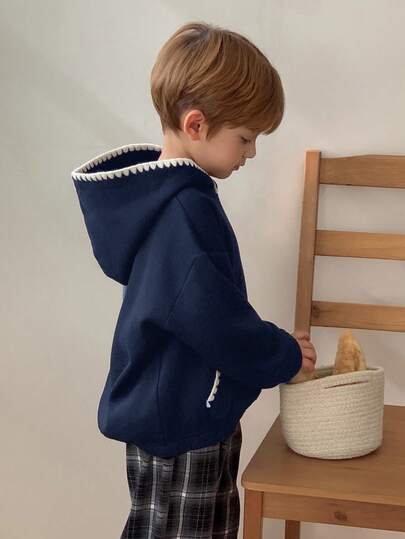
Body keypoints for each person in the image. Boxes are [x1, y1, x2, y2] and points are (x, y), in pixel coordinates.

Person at [71, 20, 317, 539]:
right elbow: (217, 320)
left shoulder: (161, 201)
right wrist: (285, 355)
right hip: (184, 424)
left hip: (171, 411)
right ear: (197, 124)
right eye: (246, 138)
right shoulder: (184, 210)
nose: (251, 153)